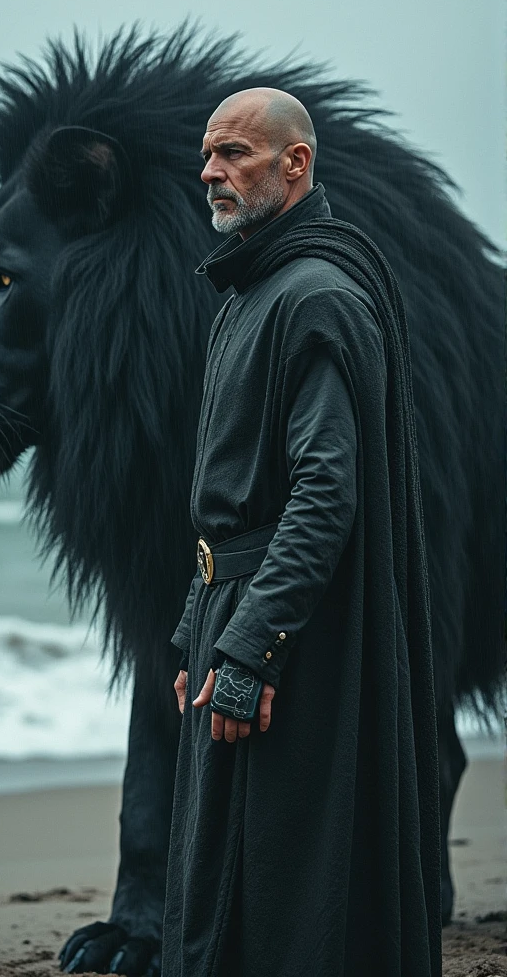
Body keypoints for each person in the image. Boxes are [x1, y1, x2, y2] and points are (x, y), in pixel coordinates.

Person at [162, 88, 442, 977]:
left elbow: (326, 494)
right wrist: (191, 633)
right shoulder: (251, 292)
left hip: (291, 641)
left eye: (235, 153)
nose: (211, 172)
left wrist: (251, 653)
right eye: (208, 154)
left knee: (286, 878)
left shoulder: (315, 296)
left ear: (296, 163)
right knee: (222, 870)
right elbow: (229, 500)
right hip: (230, 613)